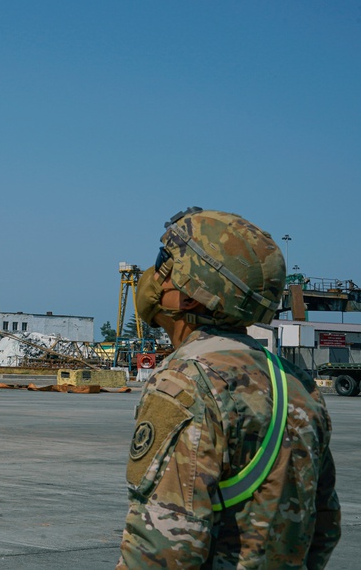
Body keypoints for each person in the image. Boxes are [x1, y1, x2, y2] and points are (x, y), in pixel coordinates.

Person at [117, 208, 340, 569]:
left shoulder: (184, 384)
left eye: (164, 262)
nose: (154, 275)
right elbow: (324, 526)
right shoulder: (296, 384)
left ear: (190, 295)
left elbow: (165, 550)